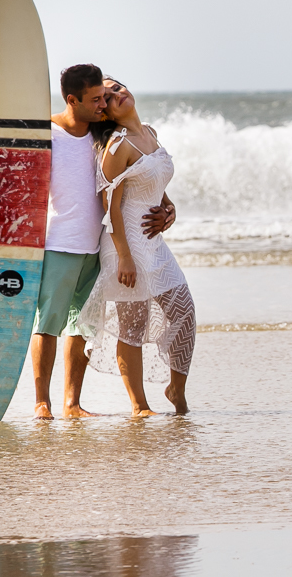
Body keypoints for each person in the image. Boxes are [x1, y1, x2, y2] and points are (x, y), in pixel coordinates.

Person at [0, 64, 176, 419]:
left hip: (96, 246)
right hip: (59, 244)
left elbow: (141, 177)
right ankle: (42, 403)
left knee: (82, 327)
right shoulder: (46, 132)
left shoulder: (104, 134)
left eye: (105, 97)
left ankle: (72, 404)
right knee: (49, 323)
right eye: (96, 99)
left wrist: (167, 207)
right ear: (73, 100)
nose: (104, 104)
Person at [76, 76, 195, 416]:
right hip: (124, 243)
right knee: (133, 324)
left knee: (184, 312)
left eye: (117, 88)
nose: (117, 95)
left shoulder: (150, 133)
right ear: (105, 113)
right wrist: (125, 258)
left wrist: (170, 209)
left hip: (154, 241)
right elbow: (109, 206)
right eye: (108, 97)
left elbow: (156, 181)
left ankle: (176, 388)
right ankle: (139, 405)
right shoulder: (117, 146)